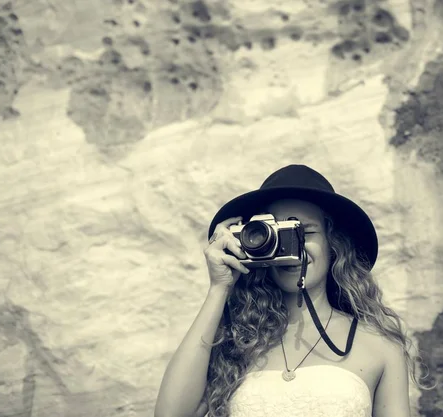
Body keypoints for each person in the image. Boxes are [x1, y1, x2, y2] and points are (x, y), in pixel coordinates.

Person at [155, 165, 426, 417]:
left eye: (304, 232)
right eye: (279, 235)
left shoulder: (381, 346)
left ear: (334, 245)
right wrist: (219, 288)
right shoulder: (234, 343)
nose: (293, 249)